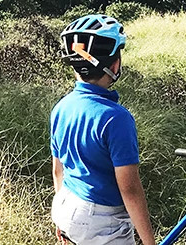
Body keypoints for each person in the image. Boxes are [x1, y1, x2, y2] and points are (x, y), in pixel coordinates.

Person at [50, 14, 156, 245]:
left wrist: (63, 219)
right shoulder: (116, 118)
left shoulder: (62, 106)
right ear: (115, 64)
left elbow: (59, 171)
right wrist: (150, 242)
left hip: (66, 204)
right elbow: (129, 189)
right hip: (100, 221)